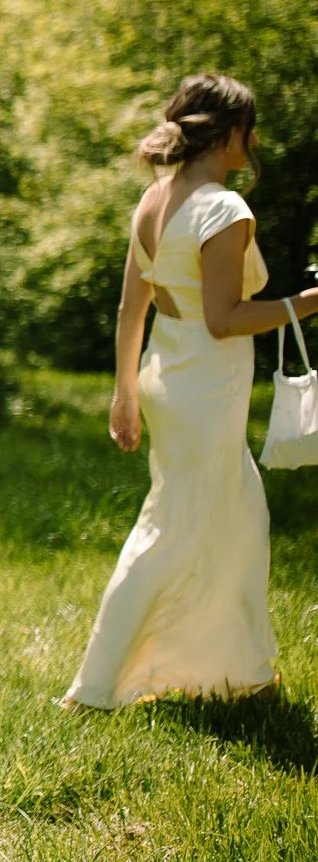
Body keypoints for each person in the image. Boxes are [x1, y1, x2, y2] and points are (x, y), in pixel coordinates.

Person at [68, 73, 317, 710]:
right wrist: (309, 303)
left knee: (230, 516)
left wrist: (125, 393)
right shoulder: (224, 208)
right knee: (177, 526)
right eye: (249, 130)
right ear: (230, 135)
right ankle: (97, 686)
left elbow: (132, 309)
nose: (254, 142)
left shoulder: (154, 200)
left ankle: (234, 672)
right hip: (206, 380)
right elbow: (225, 317)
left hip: (167, 375)